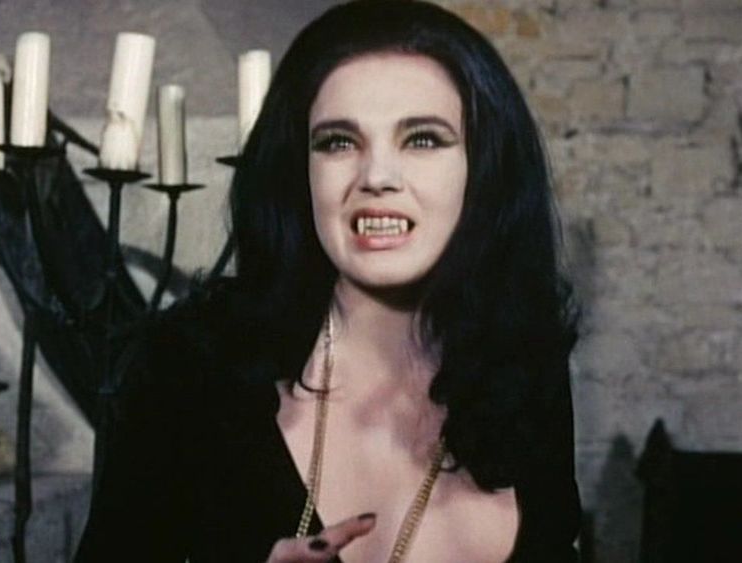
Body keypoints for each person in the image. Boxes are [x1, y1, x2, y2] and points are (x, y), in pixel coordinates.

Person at [74, 1, 581, 561]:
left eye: (423, 139)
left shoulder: (524, 367)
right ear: (299, 169)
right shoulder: (190, 366)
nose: (377, 177)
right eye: (338, 142)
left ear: (483, 168)